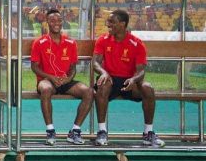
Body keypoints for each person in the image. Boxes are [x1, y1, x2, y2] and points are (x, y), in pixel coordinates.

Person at [93, 9, 165, 147]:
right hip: (110, 80)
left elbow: (141, 71)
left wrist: (133, 80)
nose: (108, 24)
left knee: (148, 88)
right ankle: (102, 132)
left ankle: (148, 133)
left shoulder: (136, 43)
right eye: (108, 21)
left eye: (112, 22)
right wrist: (103, 72)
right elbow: (95, 62)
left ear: (122, 24)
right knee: (103, 85)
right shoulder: (103, 40)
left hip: (129, 83)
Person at [30, 9, 93, 146]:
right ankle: (50, 131)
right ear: (47, 22)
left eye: (59, 20)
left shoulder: (70, 42)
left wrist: (68, 79)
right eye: (52, 20)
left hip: (65, 80)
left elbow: (73, 68)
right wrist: (51, 78)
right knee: (45, 89)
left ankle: (75, 131)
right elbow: (34, 67)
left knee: (88, 91)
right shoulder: (39, 42)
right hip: (47, 80)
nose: (56, 23)